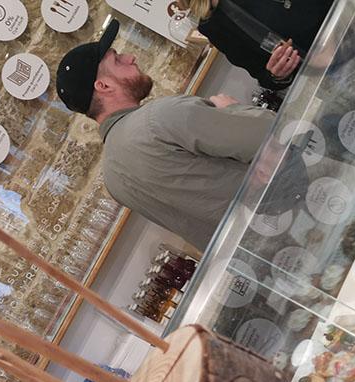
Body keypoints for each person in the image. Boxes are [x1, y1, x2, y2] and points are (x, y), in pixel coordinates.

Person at [56, 19, 275, 252]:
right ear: (104, 86)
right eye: (117, 60)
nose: (131, 57)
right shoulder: (161, 117)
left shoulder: (112, 178)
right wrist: (230, 108)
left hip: (252, 256)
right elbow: (272, 135)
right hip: (286, 216)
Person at [186, 0, 334, 90]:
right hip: (328, 74)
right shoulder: (214, 24)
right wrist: (278, 75)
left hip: (345, 23)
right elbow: (264, 76)